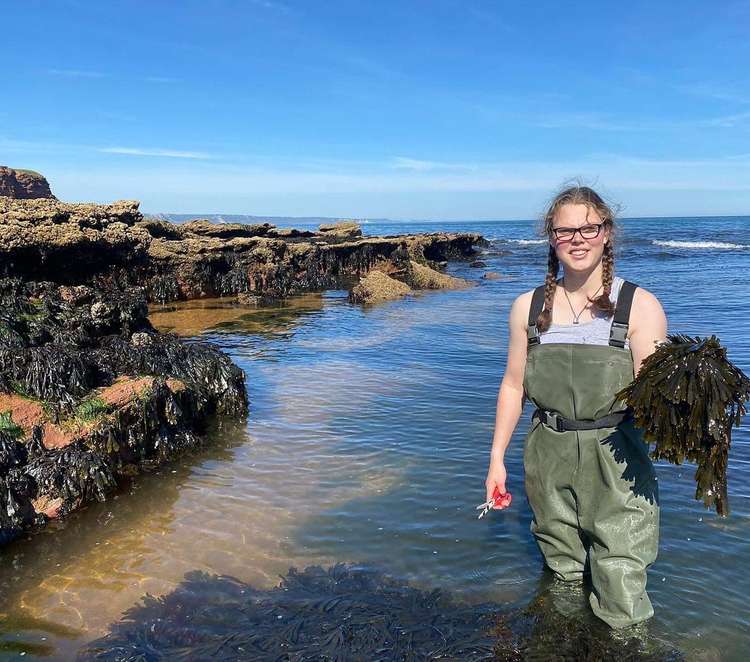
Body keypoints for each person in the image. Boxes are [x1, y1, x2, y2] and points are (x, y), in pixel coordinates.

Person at [484, 184, 667, 629]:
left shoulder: (638, 307)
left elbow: (653, 401)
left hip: (617, 458)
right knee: (561, 570)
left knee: (620, 578)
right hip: (548, 454)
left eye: (589, 228)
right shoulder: (528, 308)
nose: (578, 239)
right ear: (551, 237)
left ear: (607, 233)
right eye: (566, 231)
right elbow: (513, 386)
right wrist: (496, 460)